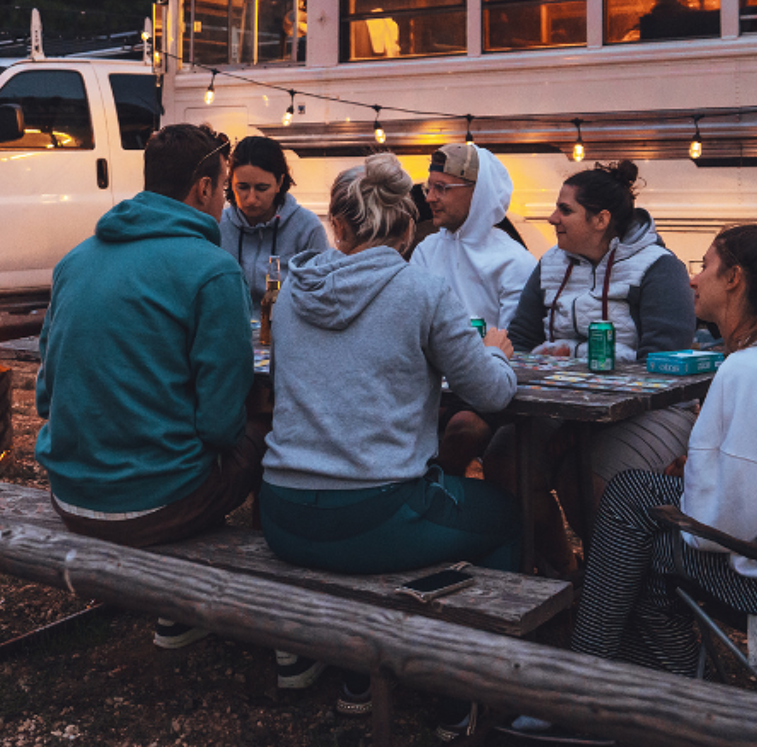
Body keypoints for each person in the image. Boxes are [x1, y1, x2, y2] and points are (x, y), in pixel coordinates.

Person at [503, 225, 757, 745]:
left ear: (735, 279)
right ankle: (652, 688)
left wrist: (689, 493)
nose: (693, 280)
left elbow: (720, 528)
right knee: (634, 499)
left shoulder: (747, 370)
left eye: (706, 266)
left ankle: (580, 690)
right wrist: (694, 476)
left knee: (635, 522)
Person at [260, 153, 520, 738]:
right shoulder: (422, 290)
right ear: (408, 228)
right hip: (375, 518)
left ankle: (357, 676)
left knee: (423, 517)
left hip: (281, 512)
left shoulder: (293, 291)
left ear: (338, 228)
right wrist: (499, 354)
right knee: (503, 517)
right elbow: (491, 394)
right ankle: (463, 694)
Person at [32, 123, 263, 650]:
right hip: (159, 504)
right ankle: (275, 621)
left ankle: (183, 605)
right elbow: (221, 424)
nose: (226, 202)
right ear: (203, 189)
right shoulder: (212, 270)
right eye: (225, 188)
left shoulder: (75, 260)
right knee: (269, 431)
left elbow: (47, 397)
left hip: (70, 495)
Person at [453, 161, 695, 566]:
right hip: (563, 403)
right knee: (505, 464)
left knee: (588, 484)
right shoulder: (550, 264)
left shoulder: (659, 268)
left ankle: (620, 591)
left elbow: (661, 366)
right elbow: (524, 342)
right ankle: (562, 576)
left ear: (601, 219)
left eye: (565, 210)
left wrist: (580, 417)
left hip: (651, 410)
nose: (552, 218)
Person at [409, 142, 535, 328]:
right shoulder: (426, 250)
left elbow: (514, 342)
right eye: (429, 187)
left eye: (441, 188)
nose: (429, 198)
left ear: (477, 191)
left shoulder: (514, 261)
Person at [219, 135, 330, 303]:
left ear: (280, 182)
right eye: (242, 187)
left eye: (261, 188)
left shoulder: (307, 227)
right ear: (230, 182)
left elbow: (321, 292)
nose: (250, 198)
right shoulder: (219, 224)